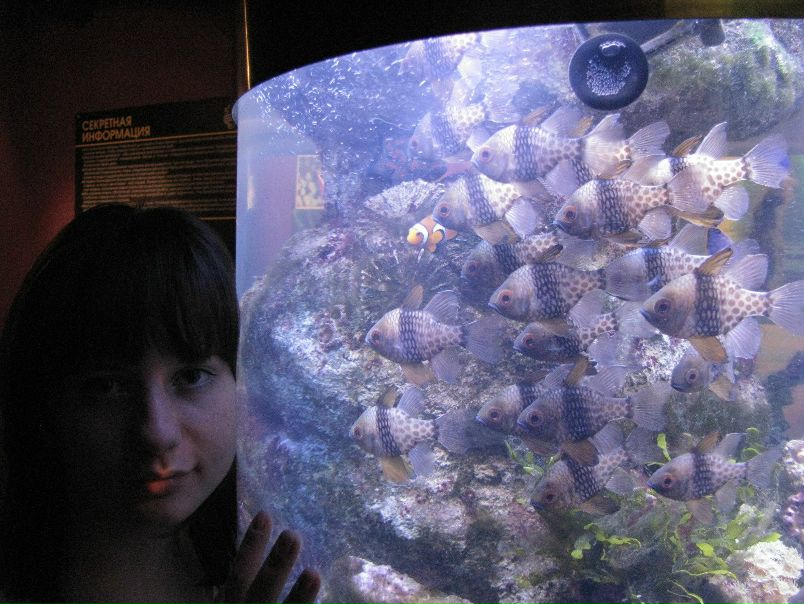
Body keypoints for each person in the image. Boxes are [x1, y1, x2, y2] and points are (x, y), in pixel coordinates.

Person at [0, 204, 320, 604]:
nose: (157, 431)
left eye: (191, 377)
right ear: (43, 402)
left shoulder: (242, 560)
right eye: (106, 386)